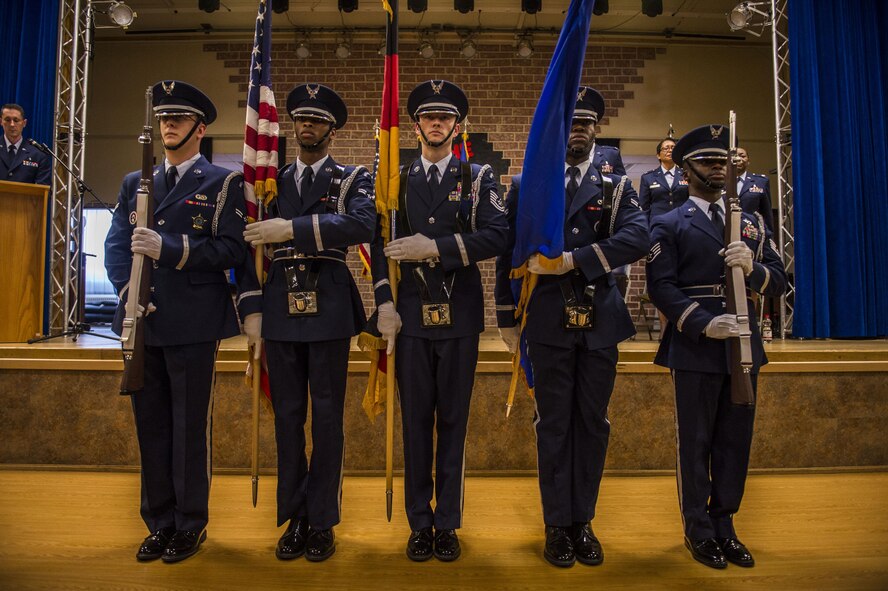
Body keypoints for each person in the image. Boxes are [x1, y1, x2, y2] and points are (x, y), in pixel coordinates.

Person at [494, 87, 648, 568]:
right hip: (546, 322)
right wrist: (505, 317)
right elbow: (507, 252)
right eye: (568, 123)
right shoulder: (528, 184)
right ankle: (557, 523)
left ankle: (584, 521)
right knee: (553, 425)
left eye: (584, 123)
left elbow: (638, 235)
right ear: (555, 130)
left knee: (592, 424)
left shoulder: (616, 184)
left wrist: (575, 261)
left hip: (599, 321)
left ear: (595, 129)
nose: (576, 130)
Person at [105, 80, 251, 563]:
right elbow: (115, 248)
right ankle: (159, 521)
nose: (169, 125)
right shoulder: (135, 182)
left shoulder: (222, 183)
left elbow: (231, 249)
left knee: (189, 429)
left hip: (193, 321)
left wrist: (170, 249)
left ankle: (190, 523)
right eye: (164, 118)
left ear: (199, 128)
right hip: (146, 321)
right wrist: (130, 296)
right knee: (151, 427)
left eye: (179, 118)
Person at [370, 80, 507, 562]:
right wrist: (384, 302)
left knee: (453, 421)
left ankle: (447, 521)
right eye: (428, 117)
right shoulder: (395, 178)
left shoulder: (478, 177)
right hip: (409, 317)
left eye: (445, 117)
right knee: (415, 423)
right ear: (415, 125)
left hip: (460, 316)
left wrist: (438, 248)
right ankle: (419, 522)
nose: (436, 124)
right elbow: (376, 243)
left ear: (457, 126)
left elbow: (497, 235)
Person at [241, 84, 375, 562]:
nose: (307, 126)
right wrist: (252, 308)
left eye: (317, 121)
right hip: (281, 307)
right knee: (288, 418)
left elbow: (363, 225)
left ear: (332, 130)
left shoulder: (351, 177)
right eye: (301, 119)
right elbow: (248, 244)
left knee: (328, 419)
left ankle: (323, 520)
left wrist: (291, 229)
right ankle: (295, 516)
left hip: (330, 306)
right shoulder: (268, 181)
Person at [646, 125, 786, 570]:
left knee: (734, 440)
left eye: (722, 161)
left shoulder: (752, 223)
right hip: (695, 346)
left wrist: (755, 269)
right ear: (686, 169)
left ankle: (725, 523)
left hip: (743, 347)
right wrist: (705, 323)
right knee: (696, 440)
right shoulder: (668, 223)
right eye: (708, 162)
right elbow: (661, 286)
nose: (718, 168)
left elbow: (781, 281)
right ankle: (698, 529)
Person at [638, 137, 689, 220]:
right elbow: (644, 208)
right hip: (658, 225)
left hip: (682, 222)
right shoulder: (648, 177)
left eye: (673, 148)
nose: (670, 150)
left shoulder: (686, 174)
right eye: (666, 148)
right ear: (658, 155)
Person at [1, 103, 51, 185]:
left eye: (16, 120)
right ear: (1, 122)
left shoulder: (37, 155)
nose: (12, 124)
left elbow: (44, 192)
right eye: (7, 120)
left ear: (24, 123)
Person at [735, 146, 774, 232]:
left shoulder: (760, 182)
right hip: (725, 231)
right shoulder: (720, 182)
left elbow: (766, 213)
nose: (738, 159)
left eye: (742, 156)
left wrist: (768, 238)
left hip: (752, 233)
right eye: (734, 156)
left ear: (748, 161)